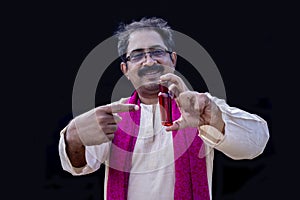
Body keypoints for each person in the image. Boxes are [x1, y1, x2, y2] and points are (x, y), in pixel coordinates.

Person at [59, 17, 269, 200]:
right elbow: (78, 166)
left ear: (173, 60)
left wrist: (212, 118)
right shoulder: (113, 115)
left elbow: (255, 143)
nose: (149, 61)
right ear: (125, 69)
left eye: (157, 52)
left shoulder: (200, 106)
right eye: (138, 55)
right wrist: (74, 135)